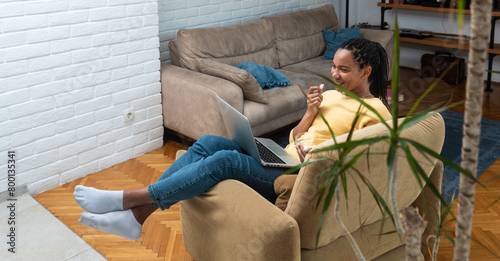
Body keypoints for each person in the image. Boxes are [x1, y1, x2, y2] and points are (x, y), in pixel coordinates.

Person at [73, 37, 393, 241]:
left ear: (366, 71)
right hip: (285, 155)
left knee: (225, 161)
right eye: (334, 67)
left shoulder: (377, 112)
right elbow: (296, 135)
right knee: (211, 142)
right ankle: (138, 216)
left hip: (299, 173)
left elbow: (360, 160)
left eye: (343, 69)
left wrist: (319, 151)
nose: (334, 74)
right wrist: (309, 115)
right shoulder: (333, 96)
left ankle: (129, 200)